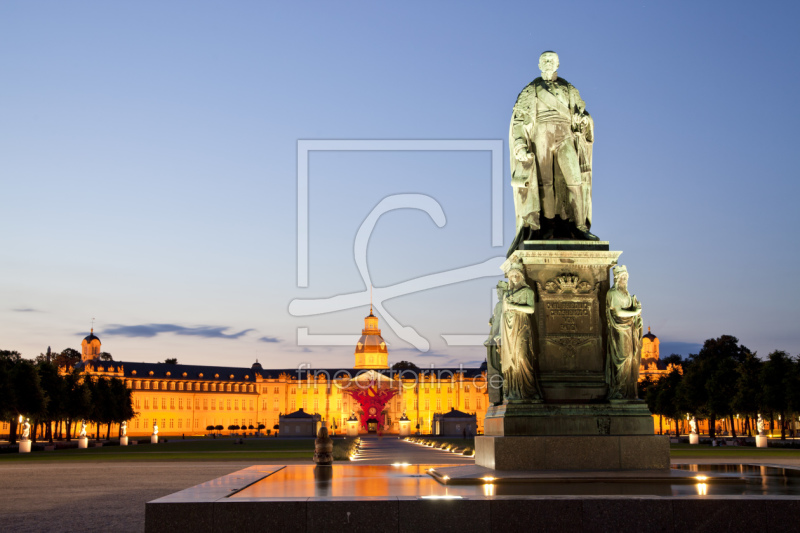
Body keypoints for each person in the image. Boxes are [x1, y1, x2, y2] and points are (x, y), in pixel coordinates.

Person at [508, 50, 598, 255]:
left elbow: (580, 112)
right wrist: (520, 144)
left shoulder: (569, 88)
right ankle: (548, 225)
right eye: (545, 60)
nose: (548, 63)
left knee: (575, 180)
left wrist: (583, 120)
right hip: (542, 133)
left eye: (551, 60)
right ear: (540, 65)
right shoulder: (532, 88)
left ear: (557, 64)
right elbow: (520, 118)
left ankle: (579, 226)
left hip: (565, 132)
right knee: (545, 182)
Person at [500, 260, 542, 401]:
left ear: (521, 276)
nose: (514, 277)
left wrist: (514, 307)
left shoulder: (527, 291)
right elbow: (503, 314)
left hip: (522, 325)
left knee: (523, 357)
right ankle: (515, 390)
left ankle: (528, 390)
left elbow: (531, 309)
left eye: (517, 274)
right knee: (512, 360)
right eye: (512, 275)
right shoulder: (507, 294)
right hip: (509, 329)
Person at [605, 265, 643, 399]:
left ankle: (626, 390)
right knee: (624, 357)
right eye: (623, 277)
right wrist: (635, 312)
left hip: (628, 328)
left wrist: (635, 307)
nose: (625, 280)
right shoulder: (613, 293)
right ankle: (619, 389)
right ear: (616, 278)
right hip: (619, 329)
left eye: (626, 277)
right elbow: (619, 311)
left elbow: (627, 311)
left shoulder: (626, 293)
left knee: (630, 358)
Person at [484, 280, 508, 406]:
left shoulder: (501, 304)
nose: (498, 294)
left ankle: (502, 395)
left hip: (501, 340)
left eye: (500, 291)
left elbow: (498, 323)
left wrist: (490, 338)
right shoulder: (506, 303)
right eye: (498, 291)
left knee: (498, 367)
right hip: (506, 339)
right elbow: (497, 321)